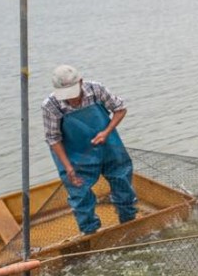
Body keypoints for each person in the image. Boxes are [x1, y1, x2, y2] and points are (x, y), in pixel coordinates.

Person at [41, 65, 138, 235]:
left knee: (122, 181)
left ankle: (128, 221)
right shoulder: (51, 105)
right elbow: (53, 139)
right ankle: (90, 232)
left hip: (108, 146)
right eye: (66, 96)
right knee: (80, 195)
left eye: (73, 93)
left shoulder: (96, 89)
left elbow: (120, 109)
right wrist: (68, 167)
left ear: (80, 82)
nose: (70, 99)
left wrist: (106, 132)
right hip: (74, 155)